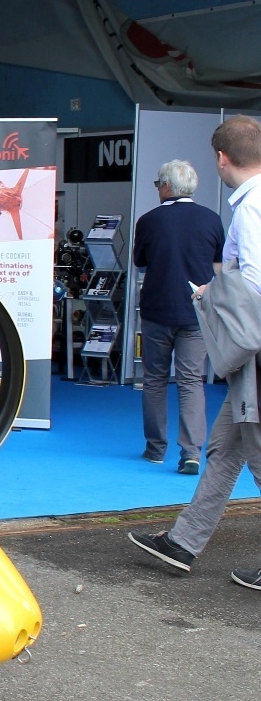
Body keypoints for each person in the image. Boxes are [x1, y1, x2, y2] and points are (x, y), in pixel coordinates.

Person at [131, 116, 261, 583]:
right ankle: (183, 543)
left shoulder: (249, 210)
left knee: (255, 453)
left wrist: (213, 294)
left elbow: (255, 286)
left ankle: (180, 531)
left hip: (253, 352)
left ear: (222, 158)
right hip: (238, 347)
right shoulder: (223, 215)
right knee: (224, 448)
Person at [130, 159, 223, 475]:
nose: (157, 189)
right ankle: (192, 452)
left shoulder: (149, 221)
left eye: (157, 184)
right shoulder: (211, 220)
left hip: (157, 310)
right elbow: (219, 268)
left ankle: (156, 448)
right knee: (191, 381)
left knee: (154, 380)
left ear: (166, 186)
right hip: (195, 312)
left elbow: (139, 261)